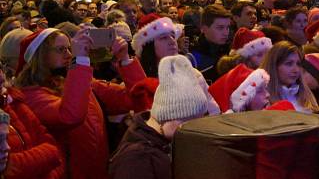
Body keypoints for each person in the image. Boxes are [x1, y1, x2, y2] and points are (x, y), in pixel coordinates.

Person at [15, 28, 146, 179]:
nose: (69, 54)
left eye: (69, 49)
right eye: (61, 49)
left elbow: (134, 97)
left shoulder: (80, 80)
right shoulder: (30, 95)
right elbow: (70, 116)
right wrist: (80, 61)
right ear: (40, 56)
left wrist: (125, 59)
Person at [109, 55, 211, 179]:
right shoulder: (136, 160)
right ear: (167, 115)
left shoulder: (163, 142)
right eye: (189, 122)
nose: (194, 130)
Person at [0, 68, 65, 179]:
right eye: (60, 49)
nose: (1, 77)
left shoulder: (14, 103)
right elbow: (70, 115)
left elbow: (54, 151)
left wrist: (14, 164)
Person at [262, 41, 318, 113]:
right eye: (289, 64)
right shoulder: (262, 97)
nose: (296, 70)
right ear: (274, 66)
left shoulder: (305, 93)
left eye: (298, 64)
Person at [190, 5, 232, 82]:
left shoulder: (231, 53)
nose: (226, 33)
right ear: (204, 28)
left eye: (228, 27)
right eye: (220, 28)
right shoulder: (193, 58)